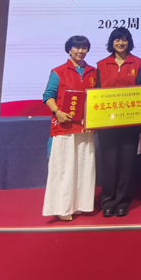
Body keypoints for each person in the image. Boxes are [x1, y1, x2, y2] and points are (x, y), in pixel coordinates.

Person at [42, 36, 98, 222]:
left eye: (84, 48)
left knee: (84, 167)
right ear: (69, 50)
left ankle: (79, 204)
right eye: (76, 48)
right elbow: (48, 95)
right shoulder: (58, 71)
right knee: (64, 168)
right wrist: (57, 112)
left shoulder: (93, 72)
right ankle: (62, 206)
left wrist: (95, 121)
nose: (80, 51)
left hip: (85, 128)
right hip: (64, 127)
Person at [95, 27, 141, 217]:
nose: (121, 43)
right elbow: (97, 92)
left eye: (124, 40)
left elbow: (139, 92)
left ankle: (123, 202)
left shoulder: (138, 63)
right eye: (117, 40)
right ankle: (108, 202)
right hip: (107, 123)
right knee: (109, 164)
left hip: (129, 123)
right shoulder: (101, 64)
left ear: (129, 42)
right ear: (112, 42)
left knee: (127, 164)